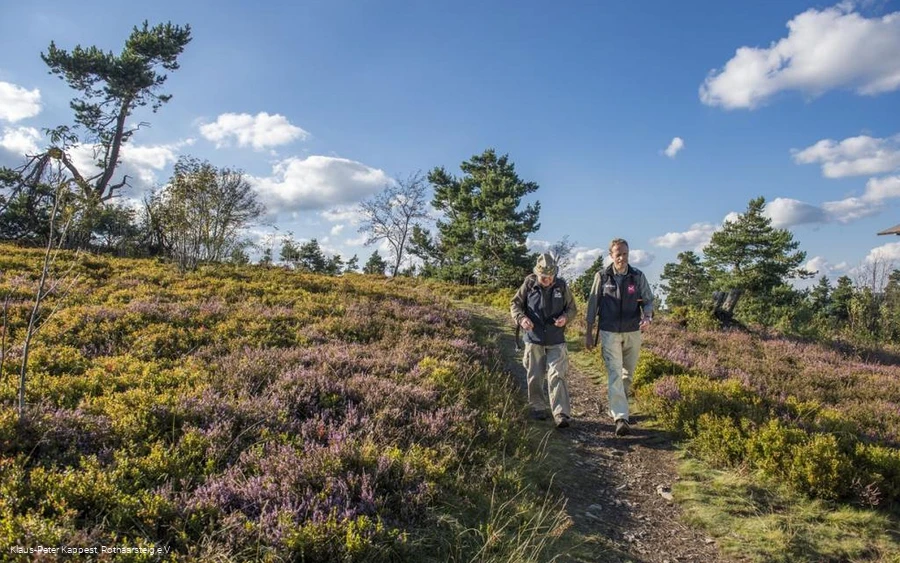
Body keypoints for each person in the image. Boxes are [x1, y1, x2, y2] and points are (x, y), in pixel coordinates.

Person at [584, 238, 654, 437]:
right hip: (609, 331)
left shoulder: (637, 276)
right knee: (615, 372)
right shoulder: (602, 276)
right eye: (618, 254)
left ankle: (616, 405)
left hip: (633, 331)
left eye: (625, 253)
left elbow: (648, 301)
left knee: (627, 374)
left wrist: (647, 316)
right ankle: (621, 417)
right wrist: (589, 333)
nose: (622, 258)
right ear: (611, 255)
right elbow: (592, 306)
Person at [511, 252, 577, 428]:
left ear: (554, 274)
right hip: (534, 338)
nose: (546, 280)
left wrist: (565, 318)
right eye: (543, 277)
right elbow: (515, 304)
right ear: (537, 273)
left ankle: (561, 413)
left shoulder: (562, 286)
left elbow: (572, 308)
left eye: (549, 277)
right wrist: (521, 319)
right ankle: (538, 407)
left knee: (557, 374)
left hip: (556, 339)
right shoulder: (529, 283)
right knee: (535, 375)